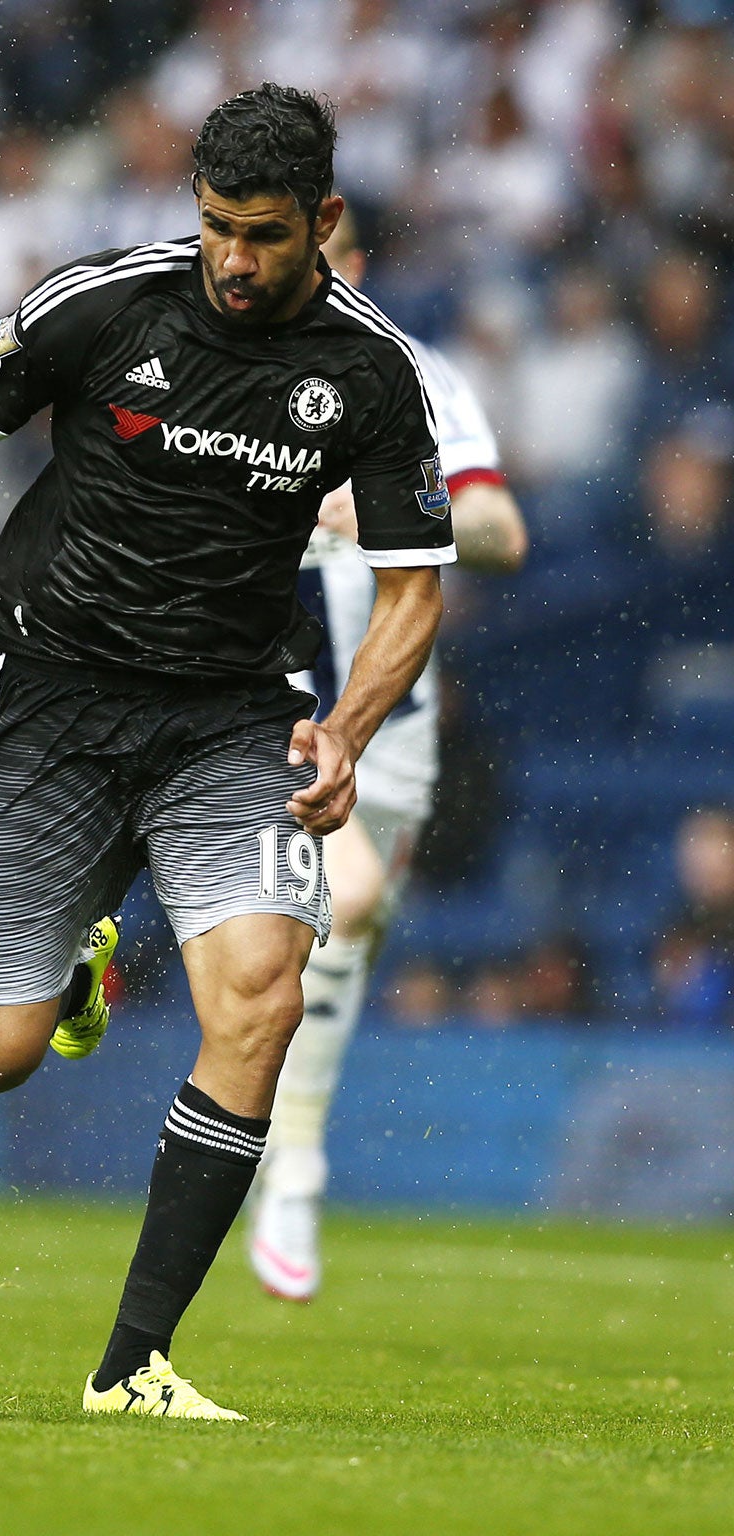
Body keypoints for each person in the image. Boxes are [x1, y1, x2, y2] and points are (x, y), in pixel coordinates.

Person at [0, 85, 451, 1418]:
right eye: (218, 228)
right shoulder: (104, 305)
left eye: (266, 236)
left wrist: (346, 729)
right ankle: (74, 962)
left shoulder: (367, 373)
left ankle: (133, 1367)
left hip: (232, 714)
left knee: (261, 996)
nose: (235, 260)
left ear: (326, 223)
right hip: (52, 700)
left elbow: (412, 587)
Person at [247, 209, 529, 1302]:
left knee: (335, 948)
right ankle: (291, 1166)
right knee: (345, 899)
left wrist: (380, 515)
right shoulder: (219, 376)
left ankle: (278, 1160)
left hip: (390, 723)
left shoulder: (413, 378)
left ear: (349, 266)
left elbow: (500, 531)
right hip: (258, 709)